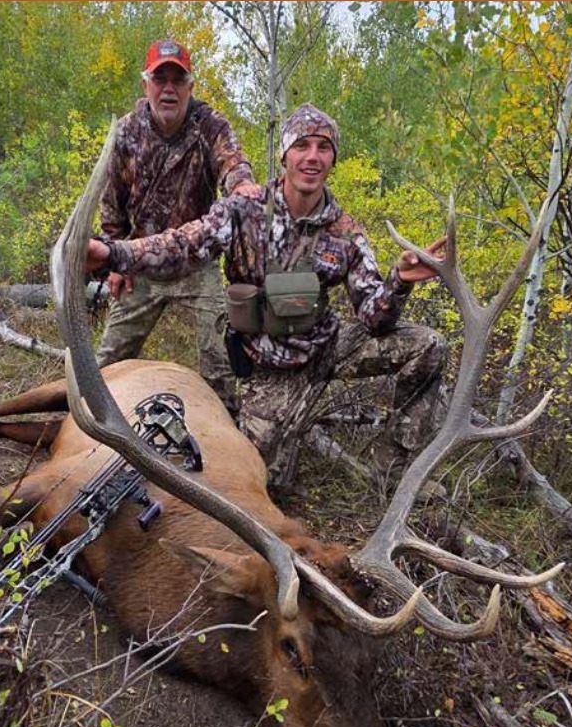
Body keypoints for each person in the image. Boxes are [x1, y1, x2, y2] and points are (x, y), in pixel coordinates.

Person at [86, 103, 447, 492]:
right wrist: (114, 253)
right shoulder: (244, 212)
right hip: (272, 371)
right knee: (260, 485)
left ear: (333, 159)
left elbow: (375, 319)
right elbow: (181, 245)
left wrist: (400, 280)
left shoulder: (345, 233)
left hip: (325, 346)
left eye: (323, 148)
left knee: (428, 345)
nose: (312, 157)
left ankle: (394, 472)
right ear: (285, 155)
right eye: (302, 146)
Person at [94, 39, 259, 409]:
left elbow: (233, 162)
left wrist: (242, 185)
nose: (168, 88)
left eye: (177, 80)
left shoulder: (210, 125)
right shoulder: (125, 133)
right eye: (160, 78)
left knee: (221, 367)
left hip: (196, 267)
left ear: (190, 87)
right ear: (146, 84)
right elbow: (111, 200)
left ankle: (228, 435)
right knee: (106, 367)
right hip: (140, 265)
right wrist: (115, 263)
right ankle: (89, 427)